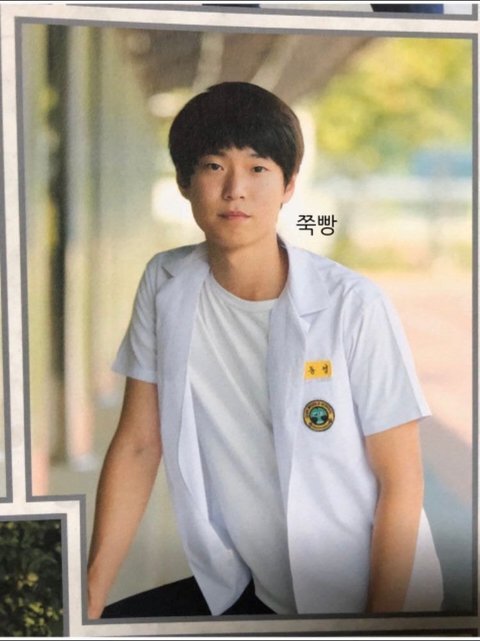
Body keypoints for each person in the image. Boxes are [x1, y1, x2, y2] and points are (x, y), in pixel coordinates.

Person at [87, 82, 443, 619]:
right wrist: (90, 593)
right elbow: (139, 445)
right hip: (255, 588)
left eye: (258, 168)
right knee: (108, 623)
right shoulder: (165, 283)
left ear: (288, 185)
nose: (236, 190)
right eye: (214, 166)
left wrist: (376, 628)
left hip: (370, 596)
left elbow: (401, 480)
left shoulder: (353, 305)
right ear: (184, 182)